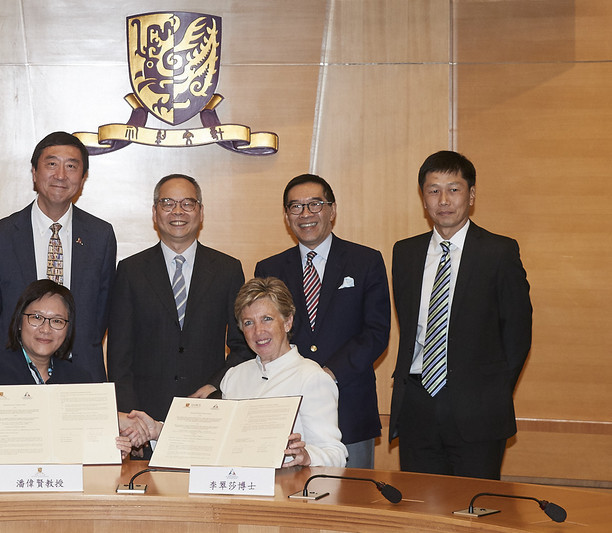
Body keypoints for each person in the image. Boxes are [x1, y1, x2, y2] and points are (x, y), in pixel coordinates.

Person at [389, 150, 532, 479]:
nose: (443, 200)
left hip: (478, 411)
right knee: (419, 511)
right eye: (433, 190)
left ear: (471, 194)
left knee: (474, 513)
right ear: (423, 198)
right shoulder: (405, 252)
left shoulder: (499, 251)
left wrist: (487, 391)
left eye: (453, 189)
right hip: (417, 406)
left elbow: (518, 334)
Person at [122, 277, 347, 467]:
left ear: (287, 322)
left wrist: (307, 456)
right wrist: (158, 430)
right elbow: (211, 438)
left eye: (267, 319)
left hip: (286, 497)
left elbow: (335, 454)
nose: (259, 331)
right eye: (248, 323)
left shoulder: (312, 377)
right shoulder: (235, 375)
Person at [254, 174, 390, 468]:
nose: (305, 214)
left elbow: (376, 333)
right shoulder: (270, 268)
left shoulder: (365, 261)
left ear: (332, 209)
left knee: (354, 502)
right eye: (296, 207)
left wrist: (326, 374)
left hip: (350, 405)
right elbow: (263, 334)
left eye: (315, 204)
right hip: (288, 409)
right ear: (286, 215)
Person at [107, 174, 254, 422]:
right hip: (146, 413)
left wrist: (216, 385)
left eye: (187, 203)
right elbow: (120, 355)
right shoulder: (130, 271)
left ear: (200, 212)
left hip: (209, 408)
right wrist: (131, 415)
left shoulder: (227, 270)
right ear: (155, 213)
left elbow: (243, 344)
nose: (178, 211)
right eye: (167, 203)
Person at [0, 131, 116, 382]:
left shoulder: (100, 235)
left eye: (71, 166)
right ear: (34, 172)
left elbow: (100, 313)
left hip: (82, 373)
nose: (61, 175)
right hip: (13, 375)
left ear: (83, 178)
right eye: (51, 164)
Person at [0, 279, 145, 456]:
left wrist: (109, 447)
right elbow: (24, 425)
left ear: (67, 329)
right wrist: (111, 418)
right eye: (37, 318)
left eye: (57, 321)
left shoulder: (79, 378)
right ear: (19, 322)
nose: (46, 329)